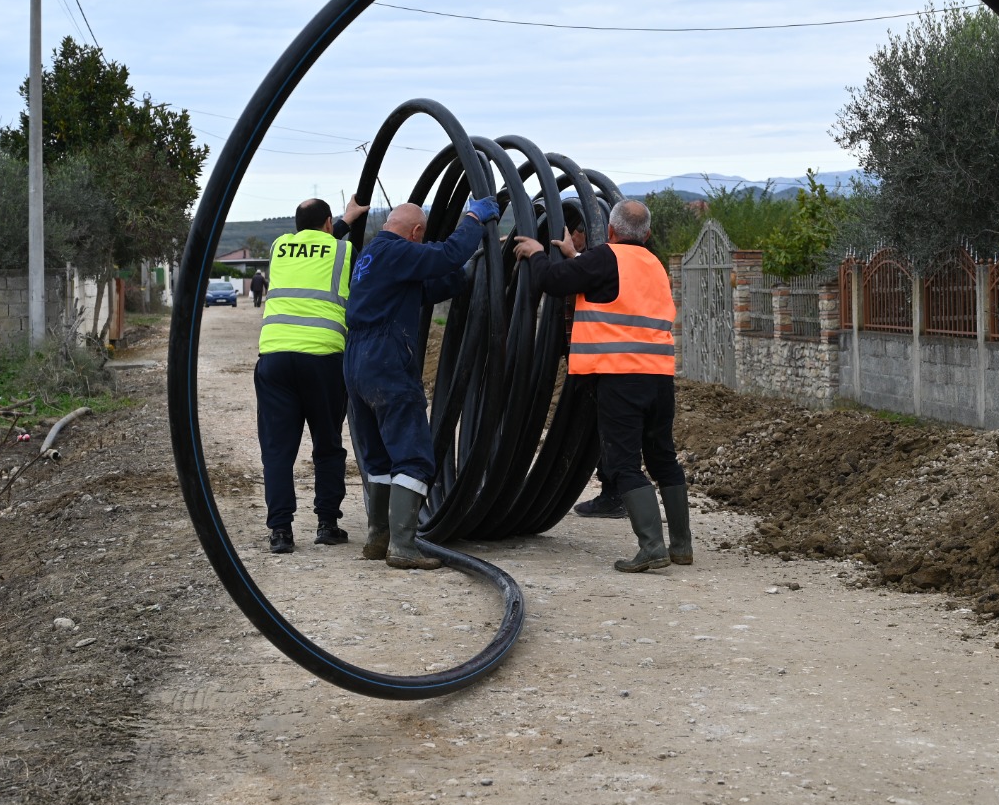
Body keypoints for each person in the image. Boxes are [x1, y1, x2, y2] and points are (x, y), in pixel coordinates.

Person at [513, 198, 691, 572]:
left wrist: (534, 253)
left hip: (619, 377)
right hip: (659, 378)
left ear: (610, 232)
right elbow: (609, 285)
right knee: (662, 457)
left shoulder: (606, 257)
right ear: (648, 234)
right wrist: (576, 254)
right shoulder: (654, 265)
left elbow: (554, 281)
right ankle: (680, 546)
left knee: (624, 461)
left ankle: (651, 547)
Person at [345, 195, 500, 569]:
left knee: (379, 457)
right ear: (415, 233)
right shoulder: (397, 252)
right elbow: (446, 255)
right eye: (422, 237)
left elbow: (427, 288)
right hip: (386, 360)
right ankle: (403, 545)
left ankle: (378, 537)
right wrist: (472, 221)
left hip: (356, 362)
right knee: (413, 454)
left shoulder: (370, 257)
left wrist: (466, 275)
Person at [254, 196, 367, 554]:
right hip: (323, 360)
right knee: (327, 444)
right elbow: (332, 247)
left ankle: (281, 532)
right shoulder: (343, 252)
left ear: (295, 226)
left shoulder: (279, 247)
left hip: (274, 359)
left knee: (277, 451)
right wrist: (347, 221)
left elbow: (317, 243)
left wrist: (342, 220)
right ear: (329, 224)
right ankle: (327, 524)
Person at [549, 200, 626, 521]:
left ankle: (614, 494)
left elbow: (571, 278)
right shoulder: (587, 260)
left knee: (604, 427)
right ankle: (614, 492)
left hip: (604, 361)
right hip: (588, 359)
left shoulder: (597, 261)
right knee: (596, 425)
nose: (564, 238)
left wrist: (570, 257)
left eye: (568, 232)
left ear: (580, 232)